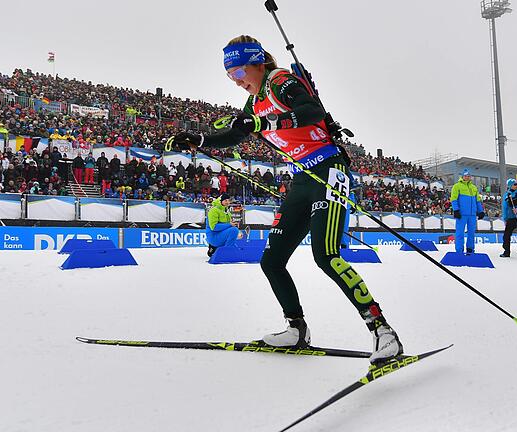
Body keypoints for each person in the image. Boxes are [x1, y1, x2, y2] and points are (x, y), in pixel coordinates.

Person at [169, 35, 402, 364]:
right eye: (229, 77)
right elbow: (237, 133)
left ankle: (383, 331)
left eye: (237, 73)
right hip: (303, 179)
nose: (236, 82)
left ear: (256, 64)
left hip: (329, 170)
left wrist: (265, 122)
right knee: (272, 260)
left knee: (326, 256)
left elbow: (311, 111)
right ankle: (296, 330)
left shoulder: (280, 81)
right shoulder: (255, 101)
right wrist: (200, 138)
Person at [450, 168, 485, 254]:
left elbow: (477, 200)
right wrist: (456, 210)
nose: (467, 177)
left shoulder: (473, 187)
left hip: (472, 215)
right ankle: (459, 251)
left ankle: (470, 250)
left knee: (471, 233)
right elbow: (453, 199)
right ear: (462, 176)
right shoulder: (457, 186)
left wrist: (480, 211)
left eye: (469, 176)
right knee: (459, 233)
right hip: (462, 214)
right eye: (466, 176)